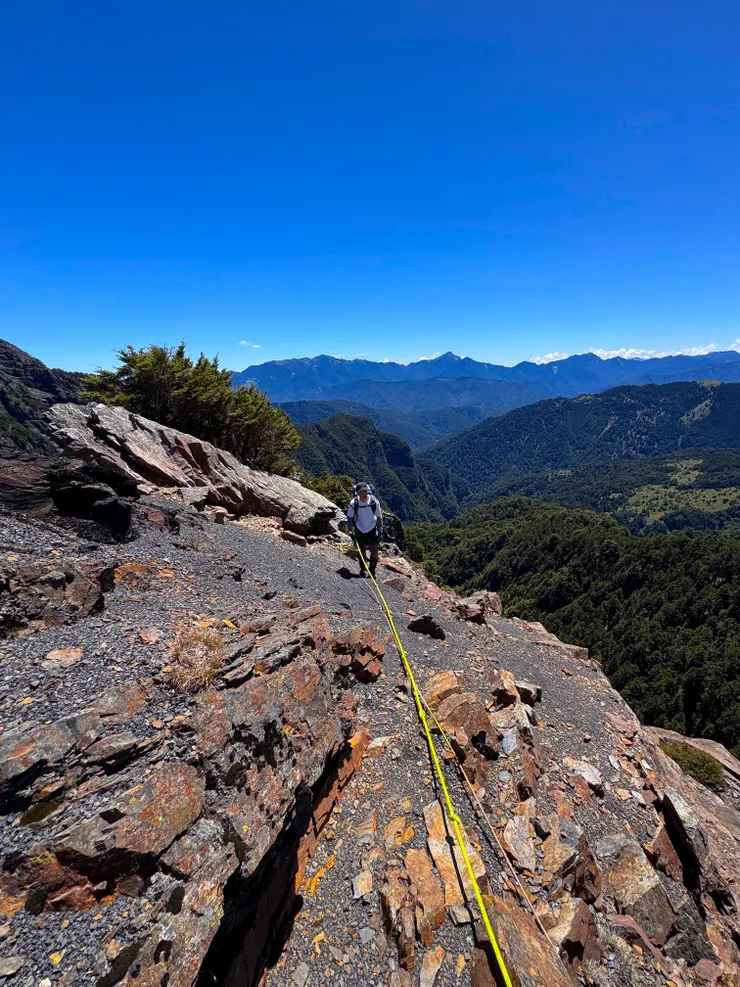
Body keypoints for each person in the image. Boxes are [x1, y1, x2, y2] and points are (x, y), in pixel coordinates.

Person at [347, 483, 383, 577]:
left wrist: (380, 531)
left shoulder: (374, 502)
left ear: (368, 491)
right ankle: (363, 569)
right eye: (361, 492)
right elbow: (349, 518)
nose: (363, 494)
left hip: (372, 528)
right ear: (357, 493)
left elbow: (379, 517)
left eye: (365, 492)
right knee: (361, 550)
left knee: (374, 551)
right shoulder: (353, 503)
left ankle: (372, 571)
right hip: (359, 529)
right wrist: (351, 532)